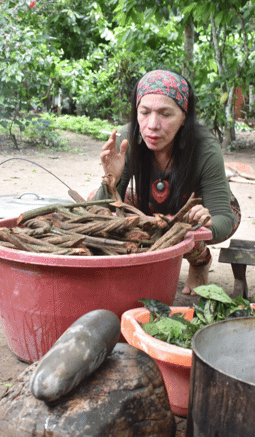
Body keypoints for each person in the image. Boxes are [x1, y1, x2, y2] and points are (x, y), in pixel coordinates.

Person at [95, 69, 241, 295]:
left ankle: (200, 262)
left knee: (183, 226)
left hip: (196, 209)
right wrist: (110, 179)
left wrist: (204, 223)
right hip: (152, 204)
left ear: (184, 116)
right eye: (144, 112)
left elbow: (223, 218)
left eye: (165, 114)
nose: (152, 125)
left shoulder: (204, 147)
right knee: (102, 207)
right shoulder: (127, 139)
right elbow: (98, 213)